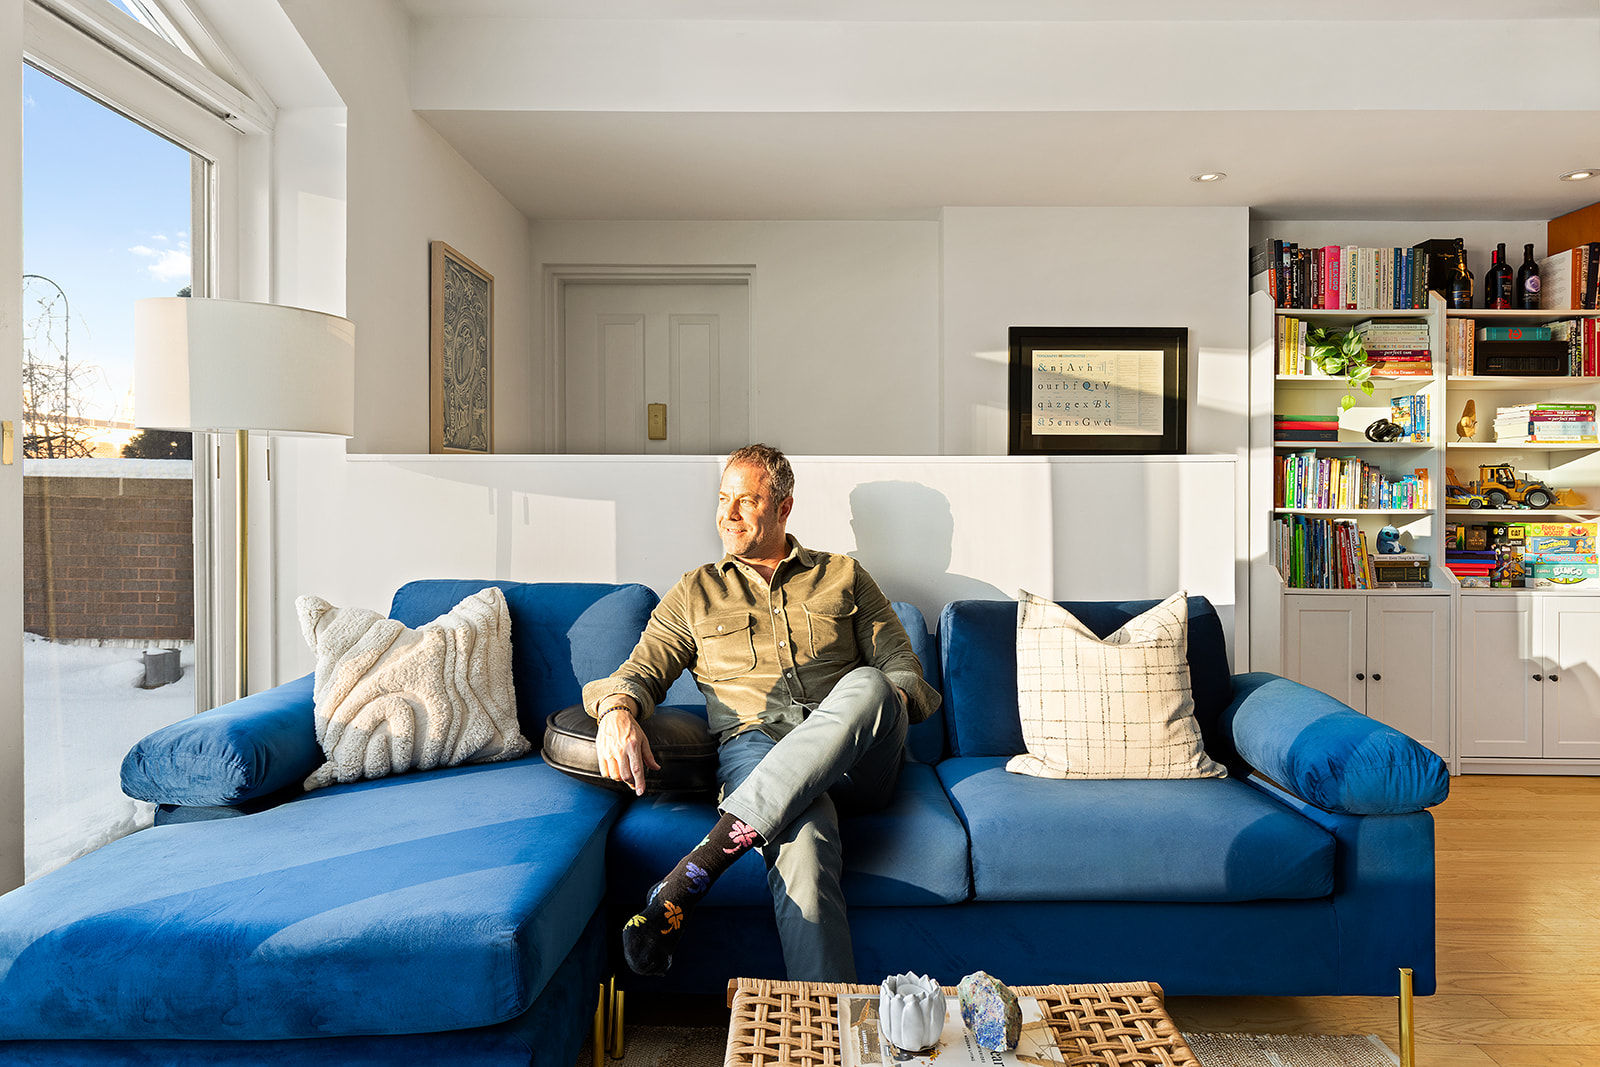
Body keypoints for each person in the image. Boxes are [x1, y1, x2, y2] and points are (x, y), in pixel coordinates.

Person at [583, 444, 940, 981]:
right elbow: (637, 672)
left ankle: (698, 868)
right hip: (757, 750)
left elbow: (904, 668)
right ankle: (827, 1038)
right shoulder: (694, 593)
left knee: (870, 683)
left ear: (783, 507)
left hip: (857, 760)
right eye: (723, 499)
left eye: (745, 501)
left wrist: (877, 706)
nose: (727, 514)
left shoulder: (844, 575)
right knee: (804, 837)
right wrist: (616, 712)